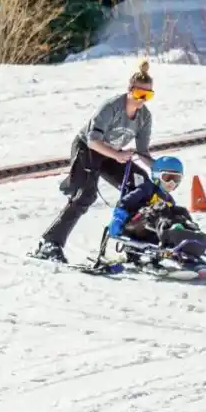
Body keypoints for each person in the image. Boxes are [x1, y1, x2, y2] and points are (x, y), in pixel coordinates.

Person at [33, 61, 156, 264]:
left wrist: (159, 168)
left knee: (140, 184)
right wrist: (116, 155)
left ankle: (134, 244)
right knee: (86, 195)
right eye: (139, 94)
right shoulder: (111, 107)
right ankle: (49, 243)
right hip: (87, 148)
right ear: (129, 90)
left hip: (112, 153)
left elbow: (143, 152)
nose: (142, 100)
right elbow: (92, 141)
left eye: (147, 96)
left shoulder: (144, 117)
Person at [107, 155, 193, 245]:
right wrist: (118, 218)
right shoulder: (148, 188)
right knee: (162, 208)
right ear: (156, 175)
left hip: (153, 230)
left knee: (181, 211)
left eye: (176, 179)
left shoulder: (169, 199)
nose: (172, 183)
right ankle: (169, 235)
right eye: (167, 178)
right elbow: (125, 201)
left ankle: (189, 233)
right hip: (134, 225)